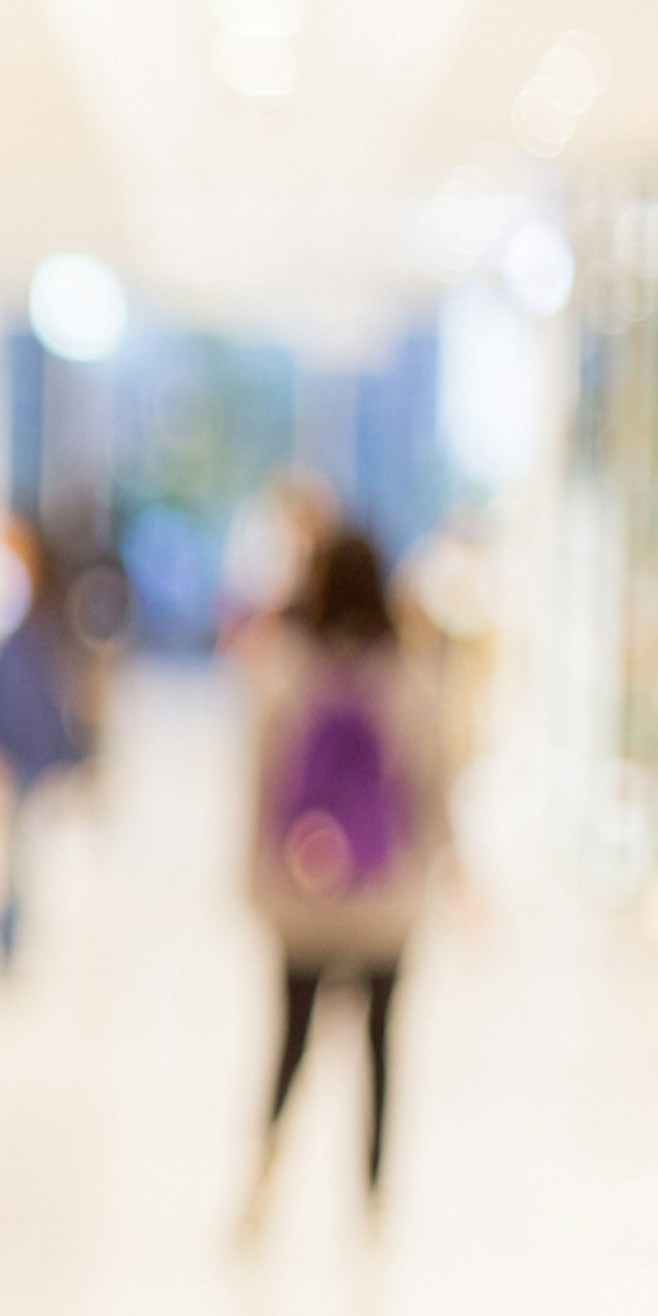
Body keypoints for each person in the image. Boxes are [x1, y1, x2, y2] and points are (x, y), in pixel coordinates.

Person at [242, 524, 445, 1226]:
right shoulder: (411, 680)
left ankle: (264, 1178)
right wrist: (447, 873)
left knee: (289, 1044)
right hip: (385, 902)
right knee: (379, 1049)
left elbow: (262, 789)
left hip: (304, 901)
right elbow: (430, 793)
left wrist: (256, 882)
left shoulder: (285, 673)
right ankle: (373, 1193)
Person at [0, 522, 88, 972]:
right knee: (5, 853)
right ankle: (4, 932)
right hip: (16, 754)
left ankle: (7, 936)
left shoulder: (37, 627)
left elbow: (38, 699)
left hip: (22, 756)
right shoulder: (28, 622)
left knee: (12, 855)